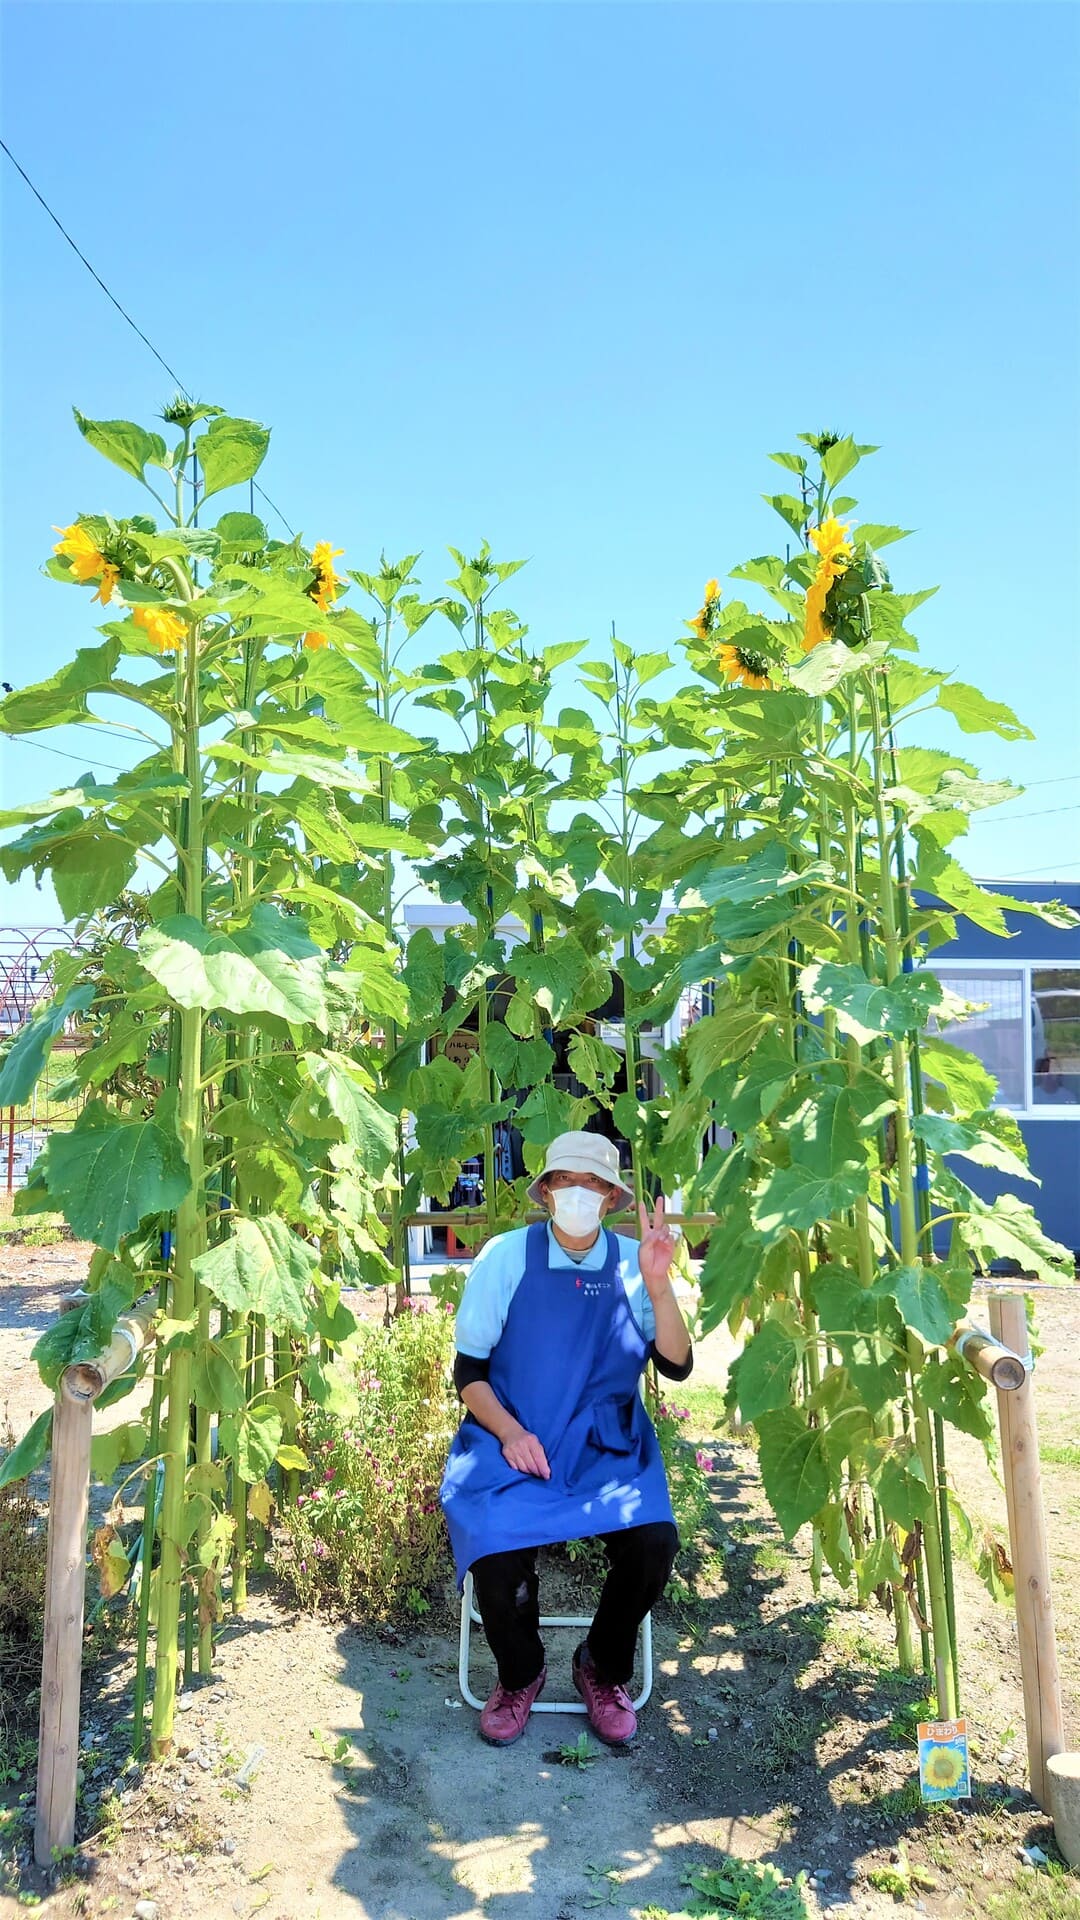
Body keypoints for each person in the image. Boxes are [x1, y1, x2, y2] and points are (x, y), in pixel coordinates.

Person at [439, 1131, 693, 1749]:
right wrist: (509, 1431)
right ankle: (520, 1673)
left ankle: (601, 1668)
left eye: (594, 1185)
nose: (578, 1194)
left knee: (654, 1542)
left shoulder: (638, 1263)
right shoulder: (506, 1257)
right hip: (514, 1441)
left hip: (608, 1451)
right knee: (494, 1546)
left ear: (610, 1198)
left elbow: (678, 1365)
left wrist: (659, 1286)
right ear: (547, 1191)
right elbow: (468, 1374)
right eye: (566, 1182)